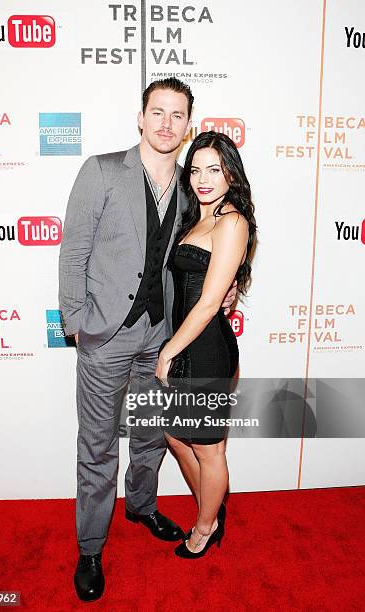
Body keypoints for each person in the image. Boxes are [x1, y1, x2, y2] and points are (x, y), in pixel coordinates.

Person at [59, 79, 237, 601]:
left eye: (177, 115)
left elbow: (210, 251)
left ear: (187, 125)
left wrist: (226, 293)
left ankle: (140, 506)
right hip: (103, 337)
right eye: (157, 112)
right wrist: (76, 323)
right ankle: (90, 547)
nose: (166, 123)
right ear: (141, 117)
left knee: (150, 436)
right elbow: (73, 252)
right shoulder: (101, 170)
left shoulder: (192, 186)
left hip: (159, 339)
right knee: (96, 448)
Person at [156, 131, 257, 558]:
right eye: (196, 169)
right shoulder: (196, 217)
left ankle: (203, 529)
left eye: (214, 169)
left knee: (208, 446)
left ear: (231, 174)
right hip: (187, 342)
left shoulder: (232, 221)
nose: (203, 178)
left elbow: (211, 301)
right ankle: (212, 510)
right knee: (177, 438)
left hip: (206, 348)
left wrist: (168, 351)